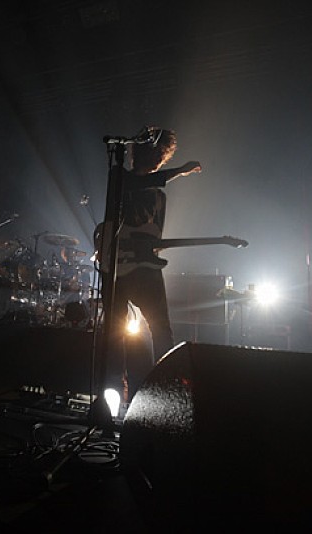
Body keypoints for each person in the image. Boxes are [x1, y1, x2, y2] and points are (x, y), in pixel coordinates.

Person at [97, 127, 201, 398]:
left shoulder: (159, 197)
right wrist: (180, 171)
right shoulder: (118, 177)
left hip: (144, 268)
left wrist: (150, 250)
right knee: (114, 333)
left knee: (161, 330)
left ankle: (163, 391)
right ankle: (112, 395)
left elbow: (155, 235)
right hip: (116, 267)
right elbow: (115, 216)